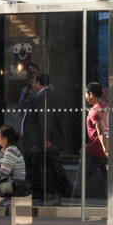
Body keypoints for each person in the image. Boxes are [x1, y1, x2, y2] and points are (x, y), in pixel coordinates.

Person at [21, 73, 71, 203]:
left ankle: (57, 191)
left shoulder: (44, 96)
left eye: (34, 83)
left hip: (44, 141)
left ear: (39, 83)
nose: (32, 85)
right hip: (46, 140)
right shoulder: (45, 95)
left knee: (48, 167)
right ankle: (60, 190)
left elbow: (46, 119)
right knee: (52, 165)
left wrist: (45, 138)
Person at [85, 81, 108, 195]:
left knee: (81, 180)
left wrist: (105, 149)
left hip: (96, 150)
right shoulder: (105, 107)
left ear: (90, 94)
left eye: (86, 93)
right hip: (101, 149)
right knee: (109, 178)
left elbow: (101, 132)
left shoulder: (95, 111)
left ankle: (76, 200)